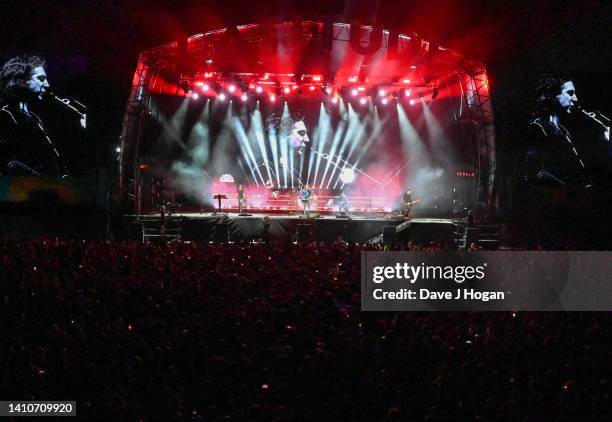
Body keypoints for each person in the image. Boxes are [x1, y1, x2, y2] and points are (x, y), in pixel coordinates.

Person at [0, 55, 69, 177]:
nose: (47, 84)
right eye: (41, 78)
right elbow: (6, 161)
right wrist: (40, 177)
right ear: (22, 80)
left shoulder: (34, 118)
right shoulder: (5, 115)